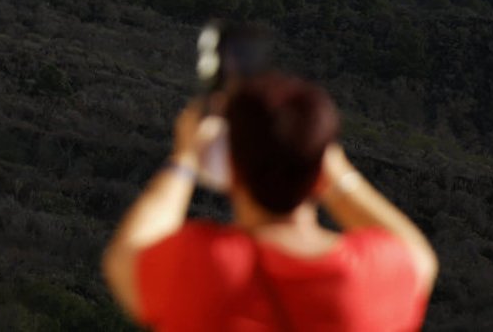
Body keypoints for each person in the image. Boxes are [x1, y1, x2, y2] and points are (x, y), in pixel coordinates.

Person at [103, 73, 438, 331]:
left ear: (230, 167)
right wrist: (337, 176)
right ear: (322, 163)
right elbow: (418, 255)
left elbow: (126, 257)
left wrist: (185, 160)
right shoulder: (377, 277)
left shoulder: (208, 268)